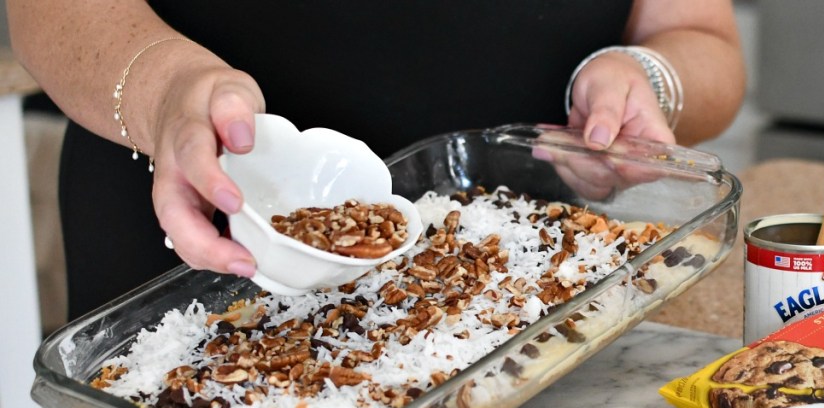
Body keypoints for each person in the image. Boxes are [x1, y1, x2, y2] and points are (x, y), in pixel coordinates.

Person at [8, 1, 745, 320]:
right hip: (197, 258)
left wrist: (643, 79)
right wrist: (165, 90)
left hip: (522, 286)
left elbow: (698, 35)